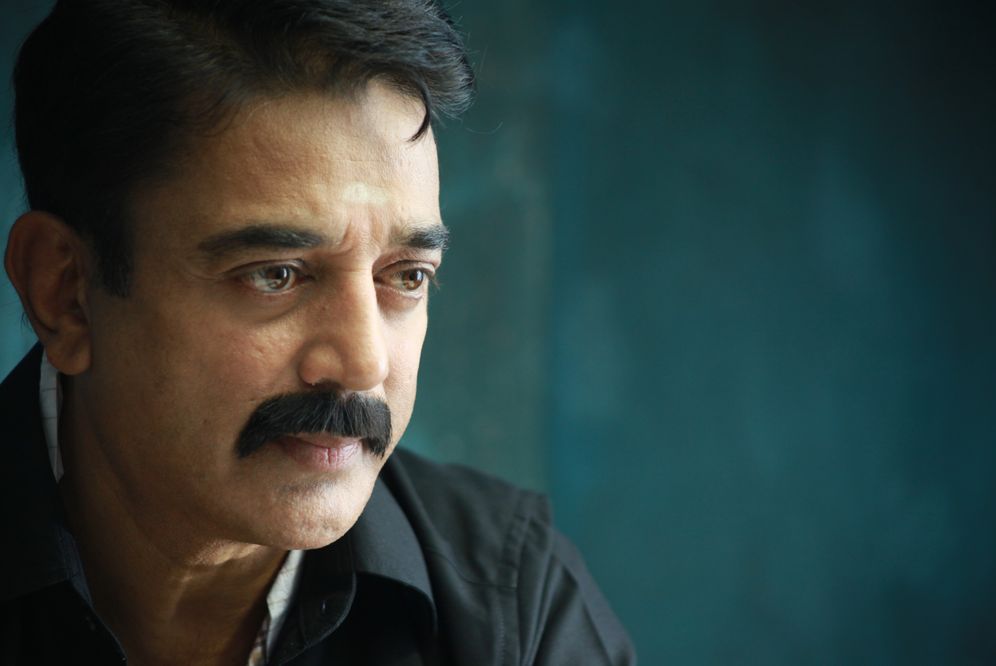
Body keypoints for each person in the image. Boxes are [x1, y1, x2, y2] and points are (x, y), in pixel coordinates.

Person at [0, 1, 635, 664]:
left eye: (407, 276)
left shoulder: (515, 608)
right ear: (65, 293)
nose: (364, 365)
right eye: (275, 275)